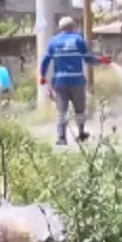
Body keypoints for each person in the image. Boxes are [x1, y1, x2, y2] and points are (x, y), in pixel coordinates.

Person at [39, 16, 102, 145]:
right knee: (79, 110)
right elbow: (88, 59)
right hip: (77, 80)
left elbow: (45, 60)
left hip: (60, 82)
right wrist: (101, 60)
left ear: (60, 28)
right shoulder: (79, 40)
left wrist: (42, 76)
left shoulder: (53, 42)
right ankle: (81, 133)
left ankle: (61, 137)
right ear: (73, 27)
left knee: (62, 110)